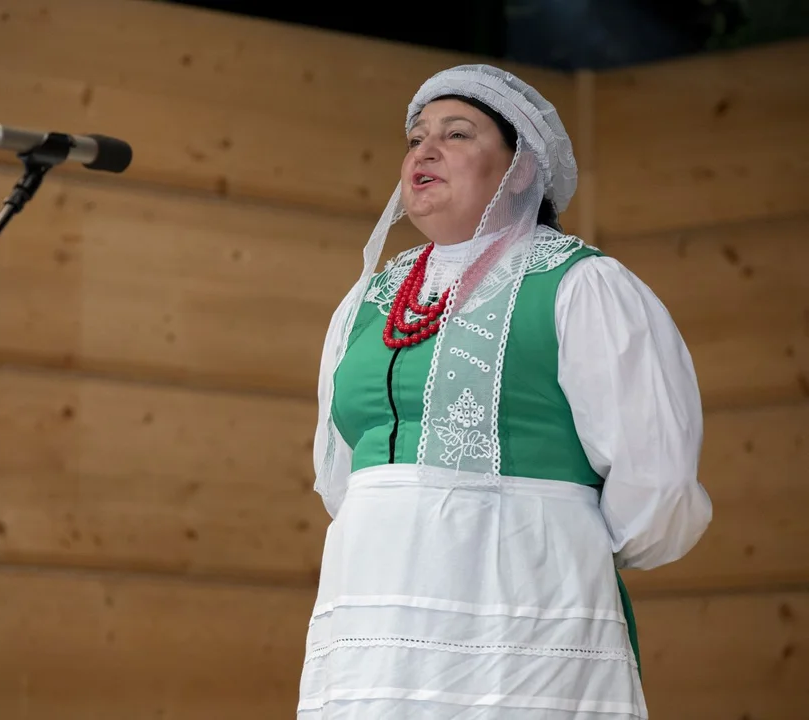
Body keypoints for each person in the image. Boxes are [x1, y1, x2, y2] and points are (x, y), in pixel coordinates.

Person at [299, 64, 713, 719]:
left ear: (522, 168)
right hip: (372, 620)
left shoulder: (583, 285)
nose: (425, 152)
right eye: (415, 139)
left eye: (456, 134)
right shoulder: (370, 301)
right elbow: (341, 477)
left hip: (527, 617)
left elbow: (656, 479)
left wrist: (550, 545)